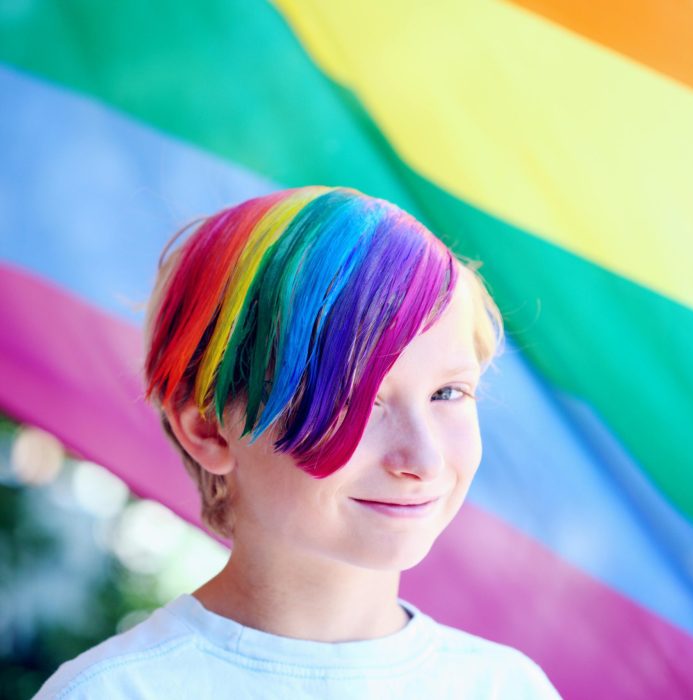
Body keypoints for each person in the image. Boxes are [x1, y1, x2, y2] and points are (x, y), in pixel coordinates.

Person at [35, 186, 561, 698]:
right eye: (353, 398)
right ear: (208, 429)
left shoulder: (507, 687)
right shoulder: (115, 691)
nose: (423, 459)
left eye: (448, 392)